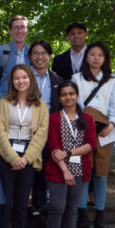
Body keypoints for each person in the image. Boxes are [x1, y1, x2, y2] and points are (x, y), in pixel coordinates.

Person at [0, 64, 49, 228]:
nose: (21, 81)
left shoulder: (41, 106)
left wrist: (25, 158)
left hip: (28, 157)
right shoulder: (4, 103)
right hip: (6, 155)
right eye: (16, 78)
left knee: (22, 202)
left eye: (24, 77)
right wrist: (14, 158)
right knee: (5, 202)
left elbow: (41, 135)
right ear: (12, 81)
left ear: (30, 79)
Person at [43, 81, 97, 228]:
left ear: (77, 95)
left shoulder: (87, 119)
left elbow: (91, 145)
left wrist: (68, 153)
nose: (68, 97)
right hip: (58, 170)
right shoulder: (53, 118)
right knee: (57, 207)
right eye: (64, 94)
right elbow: (53, 147)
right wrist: (65, 170)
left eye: (71, 93)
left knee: (72, 210)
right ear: (59, 98)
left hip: (79, 169)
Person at [74, 41, 115, 228]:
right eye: (92, 54)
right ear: (86, 57)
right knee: (84, 171)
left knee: (101, 172)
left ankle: (99, 214)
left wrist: (111, 124)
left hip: (106, 130)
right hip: (83, 129)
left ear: (105, 58)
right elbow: (75, 103)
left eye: (100, 55)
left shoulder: (113, 79)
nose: (96, 58)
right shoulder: (77, 78)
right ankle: (81, 214)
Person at [27, 39, 68, 210]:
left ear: (50, 56)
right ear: (30, 56)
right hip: (26, 131)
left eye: (44, 53)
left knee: (42, 173)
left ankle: (39, 210)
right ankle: (21, 212)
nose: (40, 57)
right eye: (36, 53)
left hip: (48, 131)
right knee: (25, 173)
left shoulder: (57, 79)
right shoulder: (22, 77)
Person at [0, 15, 31, 97]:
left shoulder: (32, 52)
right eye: (16, 28)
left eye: (23, 27)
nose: (19, 31)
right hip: (5, 101)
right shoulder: (0, 51)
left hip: (28, 101)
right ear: (10, 31)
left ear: (27, 30)